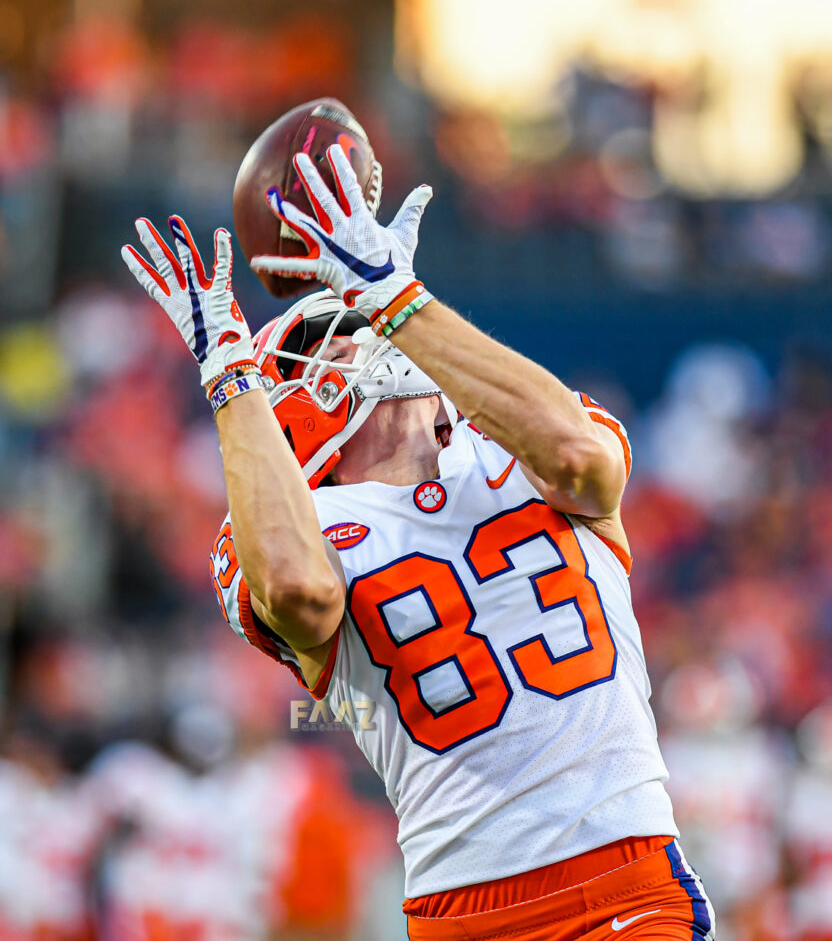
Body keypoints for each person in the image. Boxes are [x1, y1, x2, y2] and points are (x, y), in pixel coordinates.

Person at [122, 142, 716, 940]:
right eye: (347, 325)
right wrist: (231, 372)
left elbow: (581, 461)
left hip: (625, 883)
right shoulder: (298, 533)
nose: (372, 328)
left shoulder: (515, 447)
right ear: (304, 400)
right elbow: (300, 591)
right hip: (459, 909)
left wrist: (399, 295)